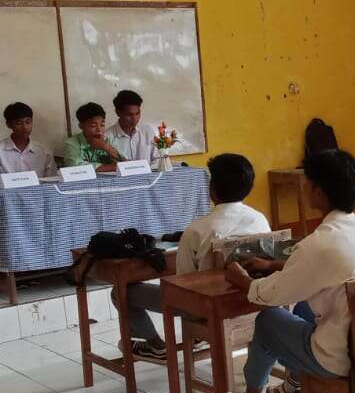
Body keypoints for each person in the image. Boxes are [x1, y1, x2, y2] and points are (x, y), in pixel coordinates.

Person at [222, 149, 355, 393]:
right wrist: (274, 265)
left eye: (309, 184)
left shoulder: (320, 243)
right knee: (302, 306)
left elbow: (269, 296)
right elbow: (325, 272)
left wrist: (243, 280)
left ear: (319, 193)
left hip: (340, 357)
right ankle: (293, 389)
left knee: (268, 320)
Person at [115, 153, 271, 361]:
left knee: (122, 291)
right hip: (252, 301)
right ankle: (198, 338)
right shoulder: (260, 219)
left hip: (207, 308)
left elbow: (184, 281)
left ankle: (156, 346)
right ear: (249, 187)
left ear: (212, 188)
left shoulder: (197, 229)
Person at [0, 102, 59, 177]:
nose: (25, 127)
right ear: (9, 124)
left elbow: (52, 179)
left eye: (28, 122)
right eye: (19, 123)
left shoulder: (44, 152)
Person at [63, 102, 125, 172]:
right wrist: (113, 167)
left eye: (102, 125)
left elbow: (126, 163)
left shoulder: (107, 140)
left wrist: (107, 148)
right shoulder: (71, 143)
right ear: (81, 126)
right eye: (93, 126)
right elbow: (74, 166)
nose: (99, 130)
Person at [106, 90, 159, 163]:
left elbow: (157, 159)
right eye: (129, 115)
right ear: (118, 113)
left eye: (137, 113)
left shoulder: (147, 130)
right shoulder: (108, 137)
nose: (135, 119)